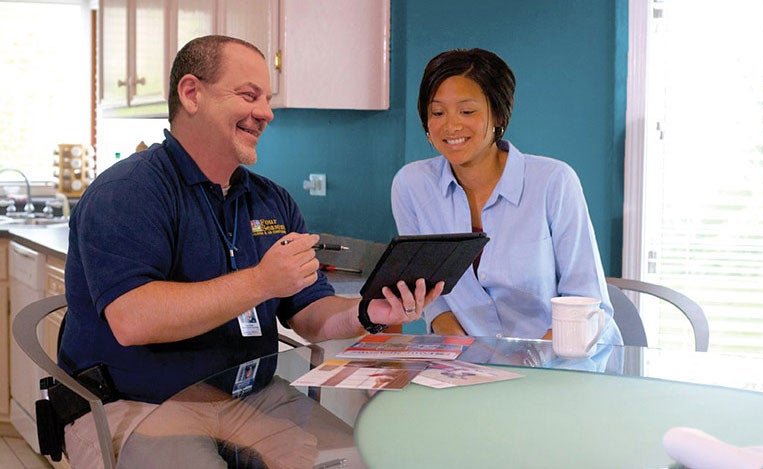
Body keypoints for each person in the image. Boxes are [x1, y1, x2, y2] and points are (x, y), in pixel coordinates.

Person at [58, 34, 444, 467]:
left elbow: (308, 312)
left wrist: (369, 312)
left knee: (353, 458)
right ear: (191, 94)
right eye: (249, 95)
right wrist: (262, 280)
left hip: (251, 396)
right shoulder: (127, 193)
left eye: (267, 98)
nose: (266, 112)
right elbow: (132, 320)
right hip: (138, 405)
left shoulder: (271, 202)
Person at [391, 48, 621, 344]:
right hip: (469, 368)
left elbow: (586, 304)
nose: (451, 126)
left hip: (561, 362)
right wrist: (468, 354)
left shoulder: (554, 181)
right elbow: (431, 296)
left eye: (467, 111)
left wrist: (525, 366)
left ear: (498, 113)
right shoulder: (411, 186)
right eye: (437, 112)